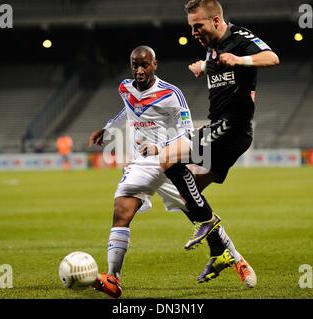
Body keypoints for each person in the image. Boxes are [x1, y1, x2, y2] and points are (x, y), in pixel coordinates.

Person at [156, 0, 280, 287]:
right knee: (188, 196)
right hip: (227, 133)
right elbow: (218, 64)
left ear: (215, 20)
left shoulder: (240, 38)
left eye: (197, 26)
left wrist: (241, 60)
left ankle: (209, 226)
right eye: (190, 27)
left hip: (229, 128)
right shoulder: (212, 48)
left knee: (166, 159)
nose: (194, 32)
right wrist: (203, 66)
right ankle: (224, 254)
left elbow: (272, 57)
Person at [88, 45, 195, 299]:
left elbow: (187, 132)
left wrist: (160, 146)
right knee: (121, 211)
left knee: (199, 213)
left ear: (155, 65)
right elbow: (127, 109)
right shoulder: (125, 87)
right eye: (135, 64)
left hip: (168, 163)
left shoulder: (172, 94)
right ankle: (113, 278)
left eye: (144, 64)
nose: (139, 70)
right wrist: (108, 129)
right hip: (140, 164)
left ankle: (236, 260)